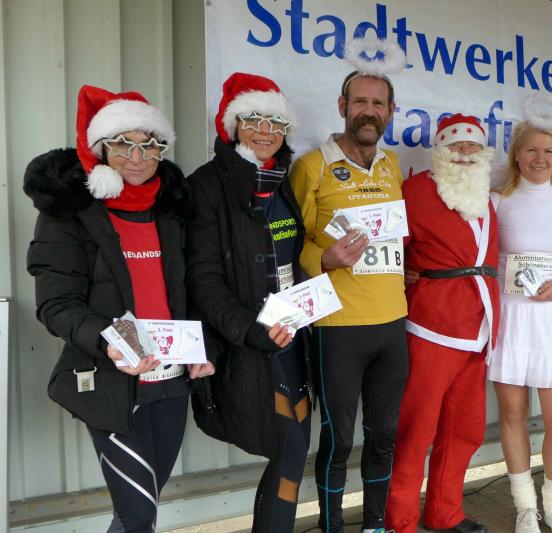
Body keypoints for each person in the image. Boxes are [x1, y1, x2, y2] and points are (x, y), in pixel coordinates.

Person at [25, 85, 194, 533]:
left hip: (172, 381)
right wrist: (109, 341)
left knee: (138, 511)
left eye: (149, 145)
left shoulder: (170, 211)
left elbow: (189, 290)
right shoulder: (70, 214)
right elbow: (56, 303)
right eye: (122, 144)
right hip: (111, 381)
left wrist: (203, 349)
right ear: (101, 148)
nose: (137, 158)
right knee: (138, 515)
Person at [185, 72, 310, 533]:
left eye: (275, 122)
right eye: (253, 119)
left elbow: (290, 258)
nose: (264, 131)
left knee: (292, 452)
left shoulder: (282, 180)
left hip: (292, 338)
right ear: (233, 125)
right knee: (288, 450)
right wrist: (249, 331)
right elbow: (203, 279)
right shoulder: (206, 186)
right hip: (250, 344)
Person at [289, 60, 408, 532]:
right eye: (360, 101)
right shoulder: (311, 166)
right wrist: (323, 258)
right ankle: (332, 526)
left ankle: (374, 523)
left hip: (392, 321)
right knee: (339, 439)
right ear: (343, 106)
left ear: (390, 111)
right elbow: (287, 240)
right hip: (337, 325)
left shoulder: (391, 165)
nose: (369, 111)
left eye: (378, 103)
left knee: (384, 434)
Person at [385, 114, 499, 533]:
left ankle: (444, 512)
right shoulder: (415, 191)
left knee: (464, 428)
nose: (465, 153)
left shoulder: (487, 196)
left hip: (478, 328)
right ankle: (399, 519)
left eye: (472, 145)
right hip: (431, 326)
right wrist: (403, 273)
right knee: (417, 429)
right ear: (440, 149)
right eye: (456, 145)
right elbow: (389, 249)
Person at [489, 95, 552, 533]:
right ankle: (525, 508)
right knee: (513, 416)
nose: (540, 158)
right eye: (531, 149)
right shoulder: (498, 200)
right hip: (512, 319)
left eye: (549, 151)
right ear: (516, 153)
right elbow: (484, 257)